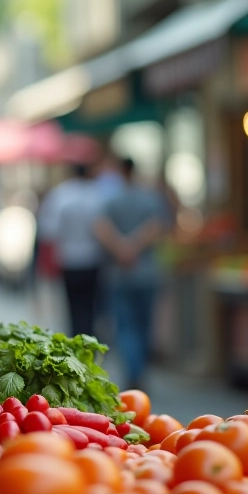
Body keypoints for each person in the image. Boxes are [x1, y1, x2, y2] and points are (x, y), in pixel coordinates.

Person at [93, 158, 168, 390]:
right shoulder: (151, 199)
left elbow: (100, 228)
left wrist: (121, 248)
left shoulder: (111, 200)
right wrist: (134, 246)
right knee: (144, 325)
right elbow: (157, 227)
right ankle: (140, 371)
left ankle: (132, 371)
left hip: (119, 274)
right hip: (146, 273)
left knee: (125, 325)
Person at [37, 164, 105, 337]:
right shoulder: (96, 194)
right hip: (92, 257)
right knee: (90, 304)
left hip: (68, 258)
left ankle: (75, 339)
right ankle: (89, 338)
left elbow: (49, 230)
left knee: (72, 305)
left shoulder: (60, 195)